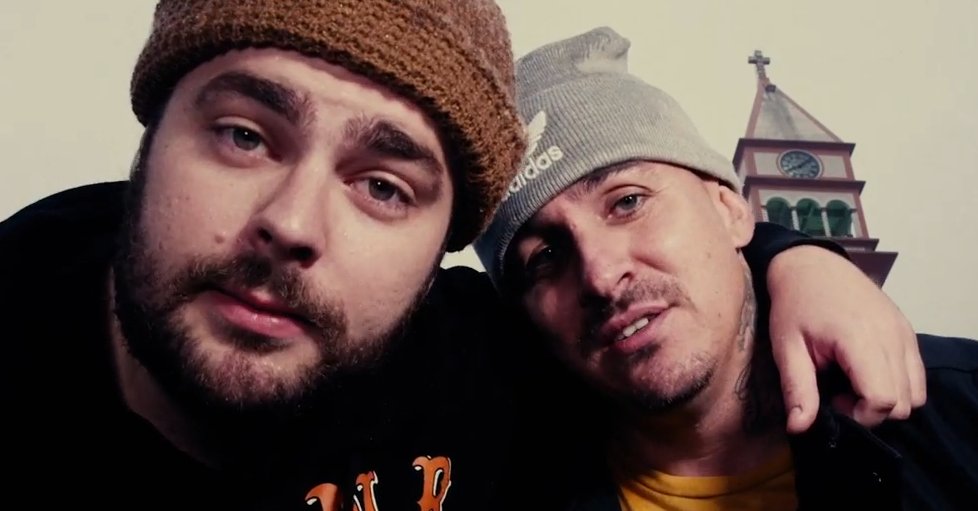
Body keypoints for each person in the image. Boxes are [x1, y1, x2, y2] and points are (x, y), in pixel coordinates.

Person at [0, 3, 923, 509]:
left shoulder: (477, 364)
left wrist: (798, 258)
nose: (293, 223)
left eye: (384, 186)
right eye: (245, 135)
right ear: (153, 133)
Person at [475, 26, 978, 510]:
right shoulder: (491, 482)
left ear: (732, 211)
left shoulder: (958, 410)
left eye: (628, 202)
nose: (601, 276)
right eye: (543, 258)